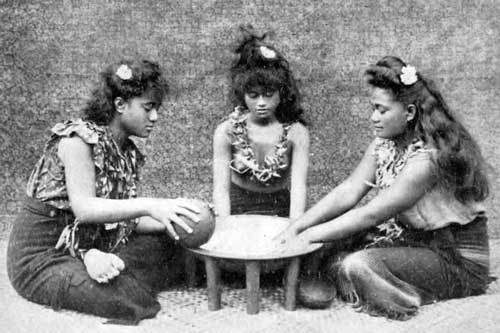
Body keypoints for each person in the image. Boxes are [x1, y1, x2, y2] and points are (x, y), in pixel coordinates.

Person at [276, 56, 492, 319]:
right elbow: (348, 191)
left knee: (355, 262)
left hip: (456, 259)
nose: (373, 117)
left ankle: (401, 294)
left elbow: (372, 214)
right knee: (330, 244)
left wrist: (308, 236)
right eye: (373, 108)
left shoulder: (427, 159)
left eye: (382, 110)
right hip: (414, 239)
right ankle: (349, 272)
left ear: (409, 113)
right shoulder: (384, 145)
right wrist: (297, 226)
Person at [7, 59, 203, 324]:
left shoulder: (126, 151)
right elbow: (85, 210)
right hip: (44, 256)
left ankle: (101, 261)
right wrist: (151, 205)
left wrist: (175, 217)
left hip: (92, 240)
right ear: (120, 105)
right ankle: (96, 262)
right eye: (148, 108)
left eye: (156, 108)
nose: (155, 117)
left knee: (176, 245)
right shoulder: (77, 141)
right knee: (128, 299)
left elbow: (125, 219)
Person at [213, 26, 310, 220]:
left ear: (281, 92)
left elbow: (299, 187)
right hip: (237, 207)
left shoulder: (296, 132)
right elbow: (220, 190)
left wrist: (293, 228)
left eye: (268, 95)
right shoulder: (226, 131)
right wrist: (224, 225)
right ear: (242, 94)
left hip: (279, 207)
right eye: (253, 96)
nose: (261, 103)